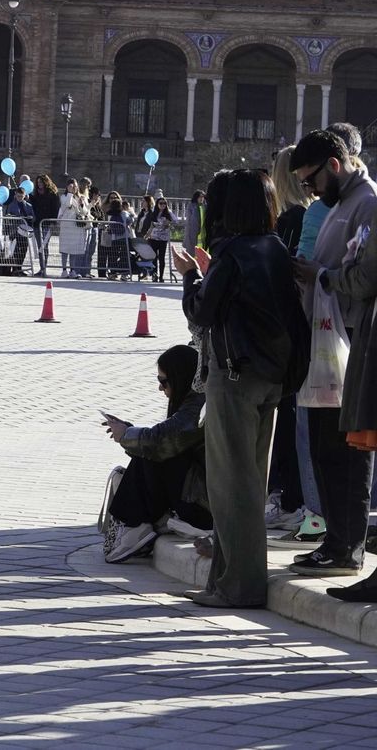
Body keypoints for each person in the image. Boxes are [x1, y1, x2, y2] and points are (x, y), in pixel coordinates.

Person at [173, 169, 309, 607]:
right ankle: (224, 580)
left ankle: (238, 586)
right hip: (272, 378)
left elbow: (202, 313)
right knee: (251, 480)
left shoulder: (231, 253)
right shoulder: (274, 248)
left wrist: (191, 276)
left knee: (232, 488)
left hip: (234, 378)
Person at [288, 129, 377, 578]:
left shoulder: (368, 204)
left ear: (334, 166)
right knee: (324, 445)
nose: (311, 190)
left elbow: (364, 278)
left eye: (312, 180)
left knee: (348, 449)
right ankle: (335, 540)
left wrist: (321, 274)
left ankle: (348, 547)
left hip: (354, 342)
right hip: (330, 340)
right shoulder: (342, 203)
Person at [100, 344, 212, 562]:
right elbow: (162, 438)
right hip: (198, 495)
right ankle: (134, 525)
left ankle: (133, 525)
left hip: (203, 506)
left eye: (164, 381)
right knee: (149, 450)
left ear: (180, 378)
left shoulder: (198, 405)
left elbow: (163, 441)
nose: (161, 388)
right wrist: (129, 431)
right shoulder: (194, 402)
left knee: (154, 451)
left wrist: (127, 434)